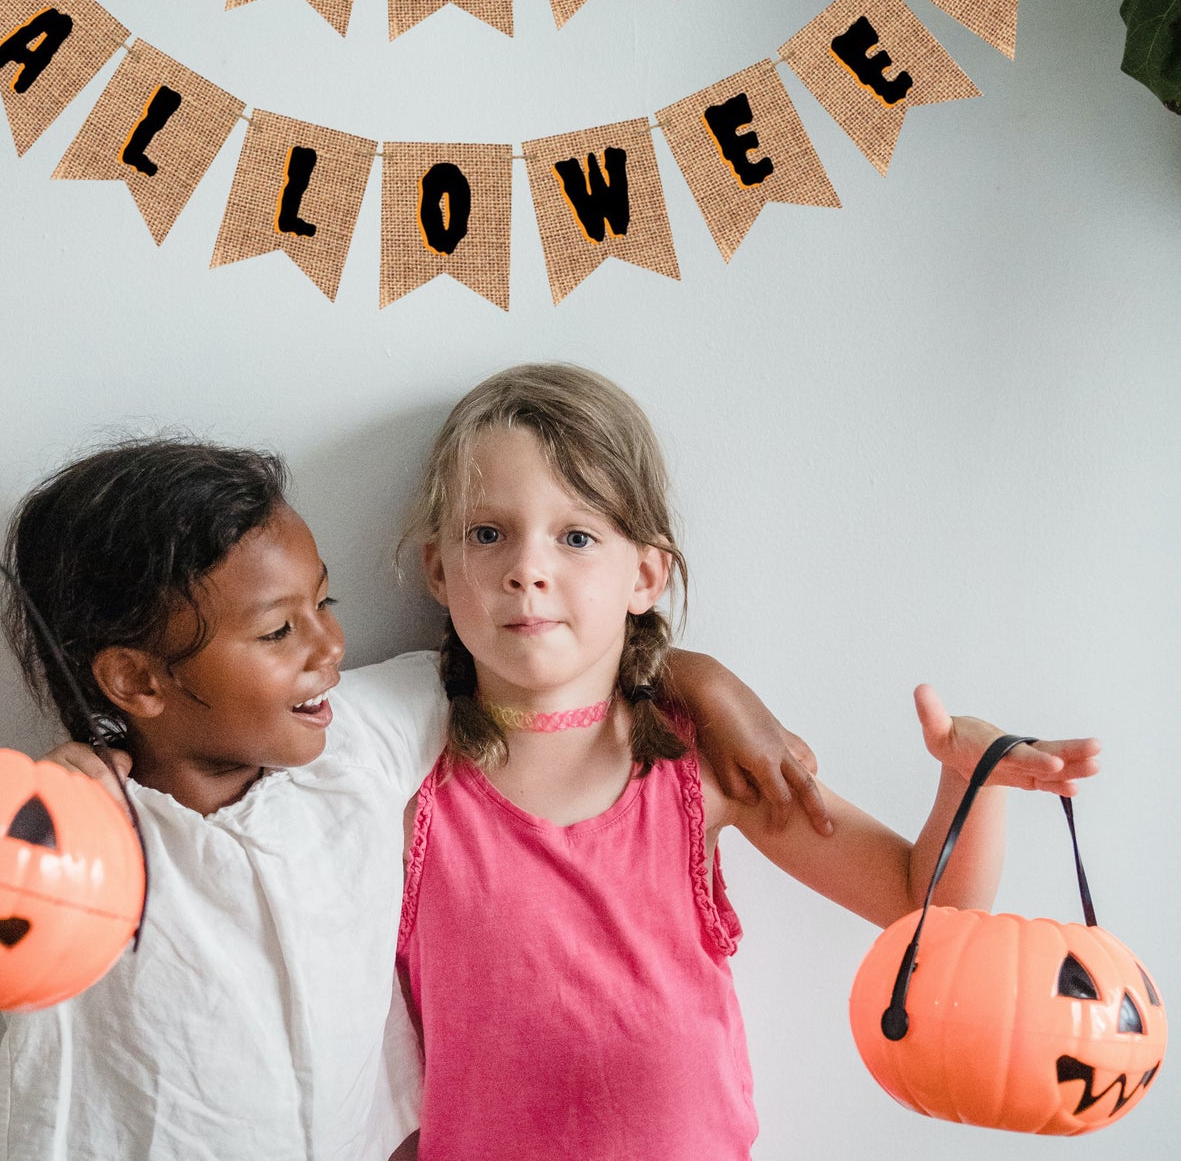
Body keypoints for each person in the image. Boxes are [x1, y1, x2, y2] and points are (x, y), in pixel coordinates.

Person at [0, 437, 829, 1161]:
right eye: (277, 631)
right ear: (137, 681)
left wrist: (697, 678)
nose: (328, 648)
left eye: (327, 604)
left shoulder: (357, 744)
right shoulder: (80, 836)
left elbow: (535, 664)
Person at [394, 364, 1101, 1160]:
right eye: (486, 533)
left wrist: (969, 784)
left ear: (646, 574)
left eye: (576, 535)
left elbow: (923, 905)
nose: (527, 567)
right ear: (435, 567)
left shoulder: (702, 765)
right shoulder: (401, 783)